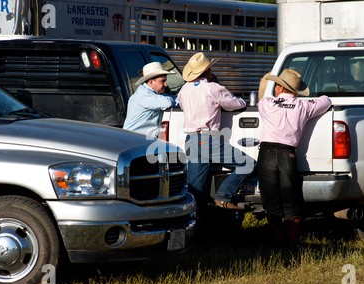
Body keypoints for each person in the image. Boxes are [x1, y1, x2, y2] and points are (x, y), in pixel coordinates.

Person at [257, 69, 332, 246]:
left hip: (266, 154)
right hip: (287, 154)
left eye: (276, 85)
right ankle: (292, 243)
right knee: (290, 200)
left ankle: (277, 243)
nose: (275, 88)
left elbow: (262, 98)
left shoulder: (267, 104)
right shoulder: (303, 106)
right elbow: (326, 101)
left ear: (281, 88)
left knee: (271, 201)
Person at [177, 52, 255, 214]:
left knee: (195, 189)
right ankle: (223, 196)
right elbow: (235, 104)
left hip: (191, 139)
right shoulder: (213, 88)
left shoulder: (184, 90)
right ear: (207, 72)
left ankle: (192, 227)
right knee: (247, 163)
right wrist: (243, 101)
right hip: (207, 139)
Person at [123, 62, 178, 139]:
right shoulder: (143, 95)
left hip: (138, 139)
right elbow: (167, 103)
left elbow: (168, 99)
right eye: (162, 81)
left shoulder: (151, 94)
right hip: (133, 140)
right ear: (151, 82)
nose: (165, 85)